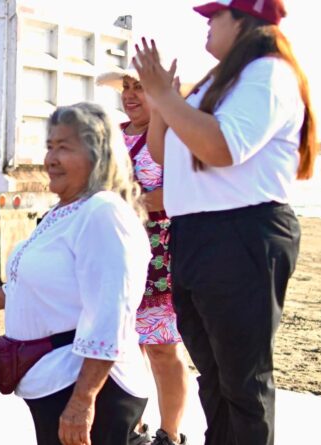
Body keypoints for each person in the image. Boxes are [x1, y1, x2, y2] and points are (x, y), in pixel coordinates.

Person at [132, 0, 318, 443]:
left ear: (246, 21)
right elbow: (164, 154)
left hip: (242, 233)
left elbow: (221, 148)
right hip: (196, 233)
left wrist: (165, 98)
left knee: (243, 382)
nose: (207, 23)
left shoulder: (267, 73)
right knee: (213, 377)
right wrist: (162, 104)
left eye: (216, 15)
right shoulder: (216, 82)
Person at [0, 103, 151, 445]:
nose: (50, 158)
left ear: (99, 154)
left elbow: (112, 313)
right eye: (49, 146)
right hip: (55, 383)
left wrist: (83, 401)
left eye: (64, 147)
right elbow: (45, 285)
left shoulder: (103, 213)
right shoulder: (64, 210)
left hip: (90, 388)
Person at [96, 68, 188, 445]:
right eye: (127, 88)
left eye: (141, 88)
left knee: (163, 348)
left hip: (161, 255)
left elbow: (180, 193)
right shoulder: (113, 134)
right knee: (121, 345)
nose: (131, 95)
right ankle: (130, 427)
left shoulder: (173, 133)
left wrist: (124, 201)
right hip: (116, 249)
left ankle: (170, 433)